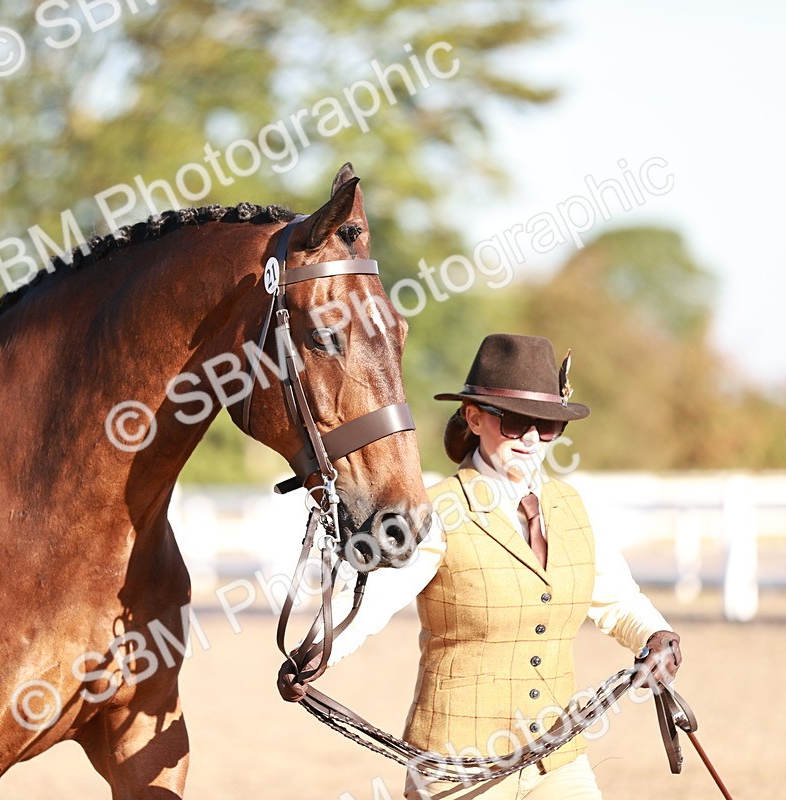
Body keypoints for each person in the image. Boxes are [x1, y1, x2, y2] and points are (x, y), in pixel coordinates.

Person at [278, 333, 683, 799]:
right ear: (474, 418)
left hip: (558, 759)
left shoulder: (574, 508)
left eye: (548, 426)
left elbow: (617, 600)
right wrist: (315, 655)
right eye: (514, 422)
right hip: (456, 766)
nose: (532, 438)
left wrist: (656, 635)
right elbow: (375, 602)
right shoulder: (437, 512)